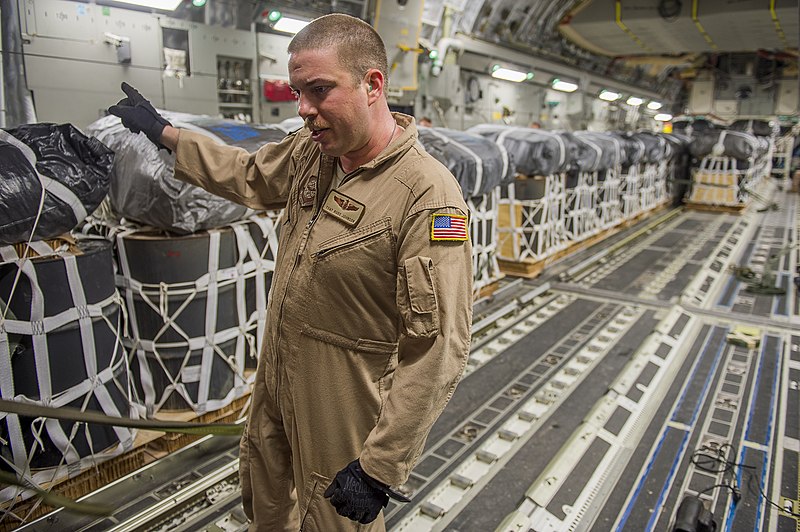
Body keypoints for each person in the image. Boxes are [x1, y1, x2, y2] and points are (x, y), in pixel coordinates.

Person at [108, 13, 473, 532]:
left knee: (333, 520)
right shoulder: (313, 154)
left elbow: (439, 347)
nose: (304, 110)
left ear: (373, 85)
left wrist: (381, 466)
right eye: (297, 91)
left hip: (345, 393)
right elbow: (249, 175)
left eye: (320, 91)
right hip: (277, 372)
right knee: (266, 497)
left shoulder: (428, 197)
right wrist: (168, 135)